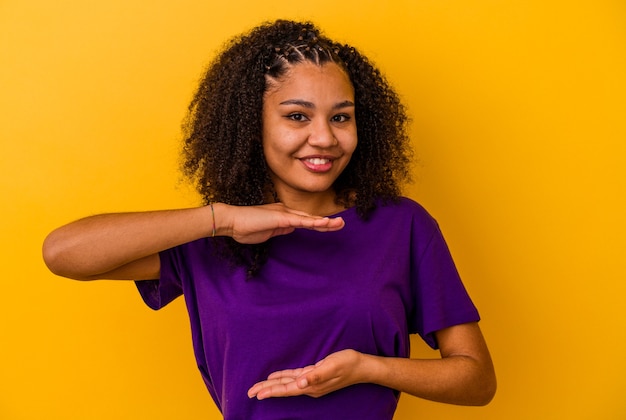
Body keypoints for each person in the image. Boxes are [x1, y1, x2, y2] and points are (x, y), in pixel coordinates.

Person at [43, 19, 496, 419]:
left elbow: (476, 381)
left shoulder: (402, 226)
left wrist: (366, 367)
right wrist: (220, 219)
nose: (324, 138)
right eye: (297, 116)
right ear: (250, 125)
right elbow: (63, 254)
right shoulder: (213, 236)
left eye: (341, 117)